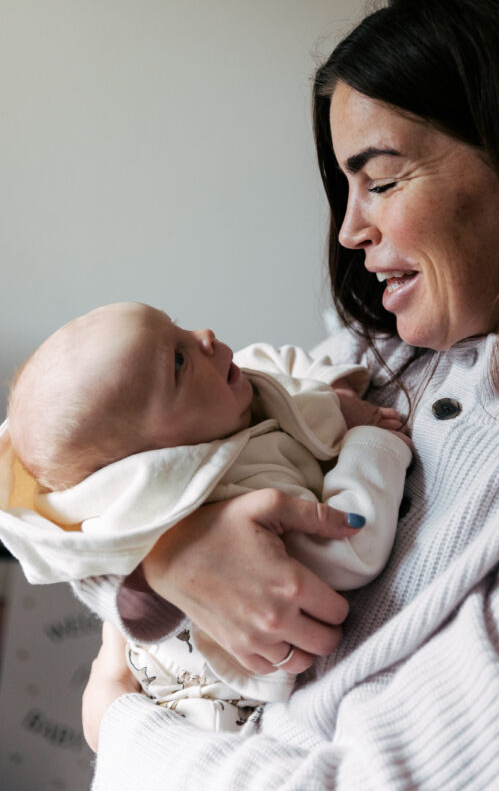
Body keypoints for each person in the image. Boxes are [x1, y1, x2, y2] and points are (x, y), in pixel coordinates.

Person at [63, 0, 499, 788]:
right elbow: (54, 491)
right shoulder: (373, 363)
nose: (351, 229)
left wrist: (119, 725)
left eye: (383, 180)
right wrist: (169, 550)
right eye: (346, 187)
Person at [0, 301, 411, 730]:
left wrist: (332, 392)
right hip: (208, 711)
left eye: (177, 328)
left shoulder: (230, 390)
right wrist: (371, 445)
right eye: (178, 361)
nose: (206, 336)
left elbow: (274, 361)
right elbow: (347, 551)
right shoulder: (235, 490)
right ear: (153, 461)